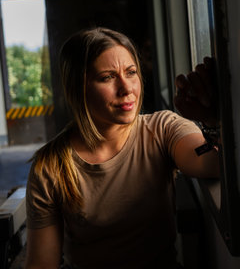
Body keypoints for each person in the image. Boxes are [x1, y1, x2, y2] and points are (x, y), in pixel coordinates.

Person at [24, 27, 220, 269]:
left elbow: (212, 164)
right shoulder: (51, 166)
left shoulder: (162, 129)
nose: (127, 88)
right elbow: (42, 264)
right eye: (107, 77)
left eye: (131, 72)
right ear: (79, 87)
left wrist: (212, 121)